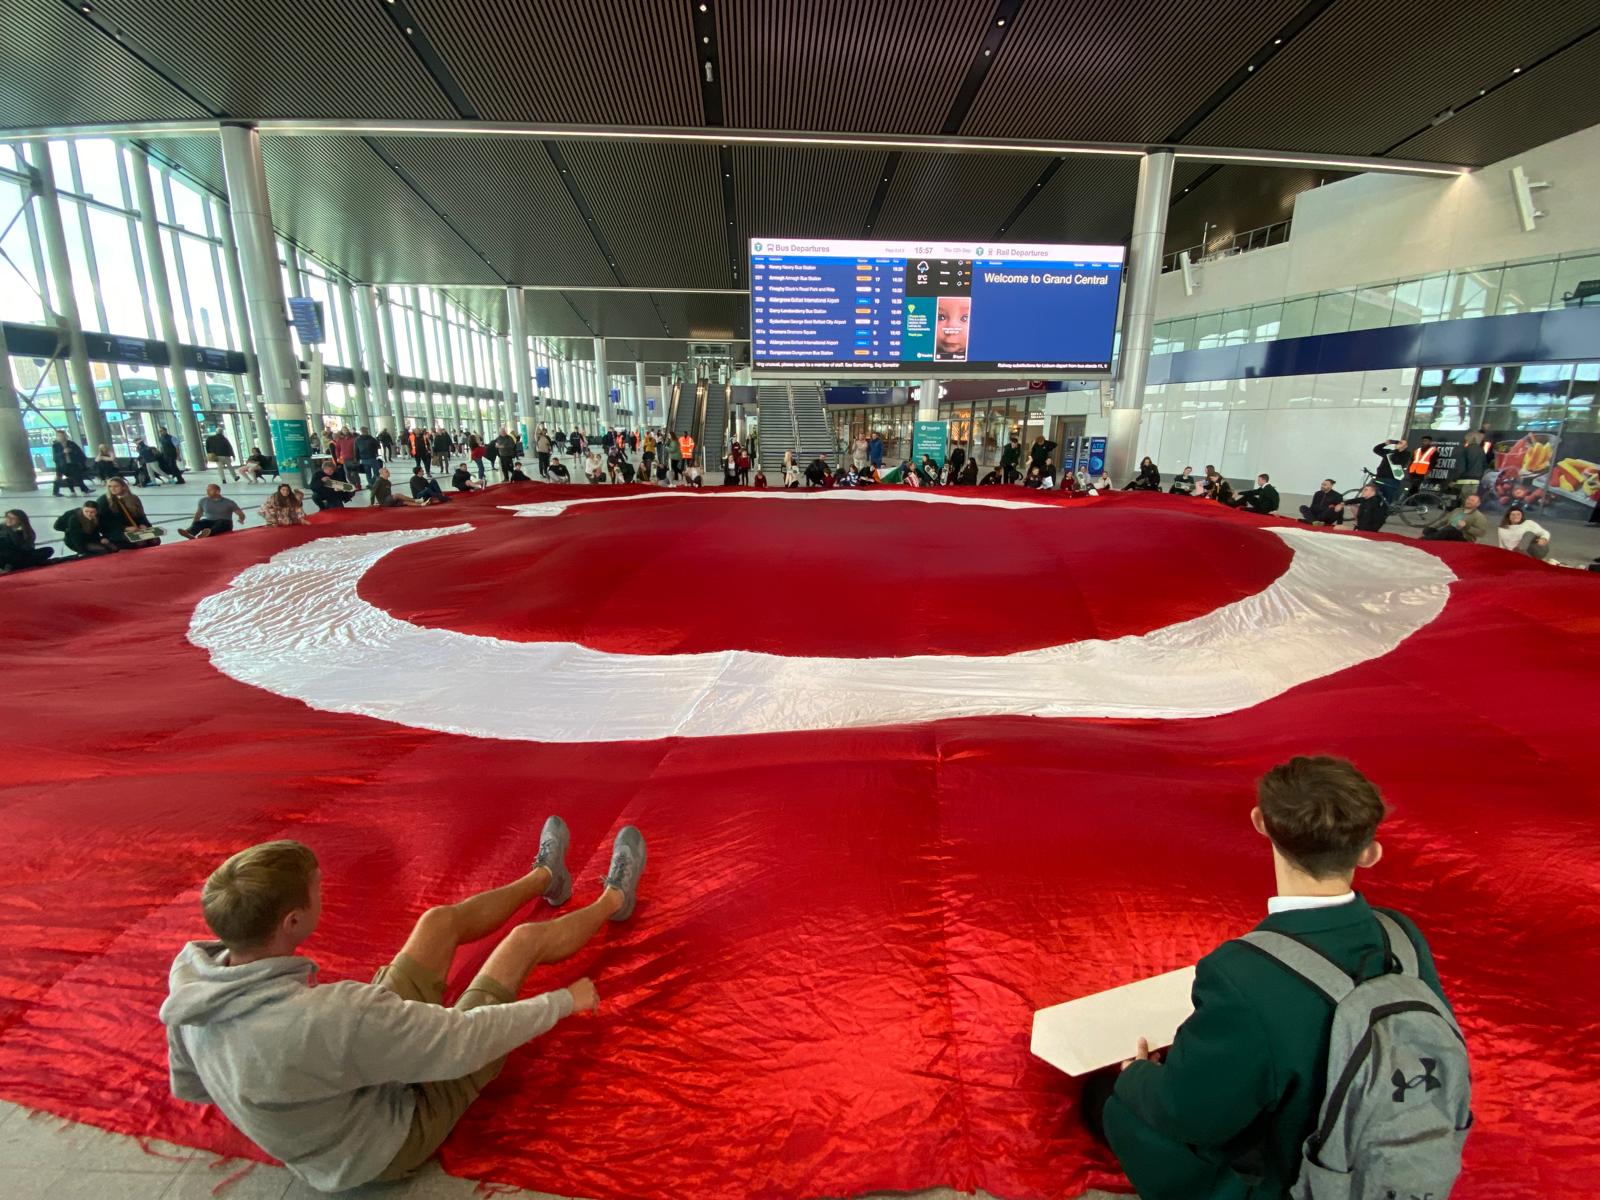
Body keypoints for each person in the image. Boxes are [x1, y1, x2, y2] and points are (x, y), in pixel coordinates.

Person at [160, 820, 647, 1193]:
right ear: (292, 920)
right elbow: (468, 1041)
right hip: (381, 1147)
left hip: (335, 1105)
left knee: (436, 923)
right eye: (318, 889)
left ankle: (545, 877)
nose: (323, 893)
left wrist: (287, 1091)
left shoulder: (191, 983)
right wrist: (563, 1001)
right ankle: (613, 899)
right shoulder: (330, 1016)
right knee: (519, 944)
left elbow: (193, 1085)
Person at [1087, 757, 1458, 1200]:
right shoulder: (1402, 935)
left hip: (1296, 1179)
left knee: (1108, 1102)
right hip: (1391, 1143)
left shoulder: (1242, 972)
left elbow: (1192, 1114)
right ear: (1369, 852)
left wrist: (1137, 1077)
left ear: (1261, 823)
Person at [96, 478, 161, 548]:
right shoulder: (103, 501)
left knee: (155, 540)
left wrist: (143, 524)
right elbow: (104, 521)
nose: (112, 489)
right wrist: (125, 528)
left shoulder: (133, 498)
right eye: (110, 486)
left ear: (123, 487)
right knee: (140, 542)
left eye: (116, 486)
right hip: (116, 530)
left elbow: (141, 515)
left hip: (135, 527)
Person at [180, 484, 247, 540]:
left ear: (217, 491)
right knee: (201, 522)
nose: (207, 492)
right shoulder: (203, 500)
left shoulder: (228, 502)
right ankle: (190, 532)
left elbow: (240, 513)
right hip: (209, 521)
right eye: (207, 490)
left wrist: (241, 519)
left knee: (221, 523)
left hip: (224, 522)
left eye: (210, 490)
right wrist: (194, 524)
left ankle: (208, 533)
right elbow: (198, 513)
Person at [1422, 493, 1489, 543]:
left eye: (1472, 500)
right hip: (1447, 532)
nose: (1469, 501)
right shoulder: (1457, 510)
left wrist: (1466, 527)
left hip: (1464, 539)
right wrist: (1431, 527)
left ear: (1478, 504)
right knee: (1428, 530)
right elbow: (1443, 521)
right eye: (1468, 499)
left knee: (1450, 529)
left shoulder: (1479, 516)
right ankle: (1429, 542)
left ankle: (1422, 541)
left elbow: (1481, 533)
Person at [51, 430, 92, 497]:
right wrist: (63, 452)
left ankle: (83, 490)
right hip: (61, 465)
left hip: (72, 463)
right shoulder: (55, 446)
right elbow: (55, 457)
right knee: (59, 478)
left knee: (76, 476)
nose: (61, 437)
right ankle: (55, 492)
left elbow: (79, 452)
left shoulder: (71, 444)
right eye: (59, 436)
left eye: (62, 435)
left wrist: (72, 452)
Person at [1371, 439, 1409, 504]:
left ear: (1405, 446)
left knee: (1388, 499)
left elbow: (1395, 461)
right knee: (1375, 496)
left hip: (1391, 479)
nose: (1398, 443)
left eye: (1401, 443)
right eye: (1398, 442)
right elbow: (1376, 450)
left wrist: (1397, 450)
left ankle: (1386, 512)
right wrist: (1385, 444)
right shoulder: (1389, 452)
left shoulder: (1406, 454)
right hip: (1380, 476)